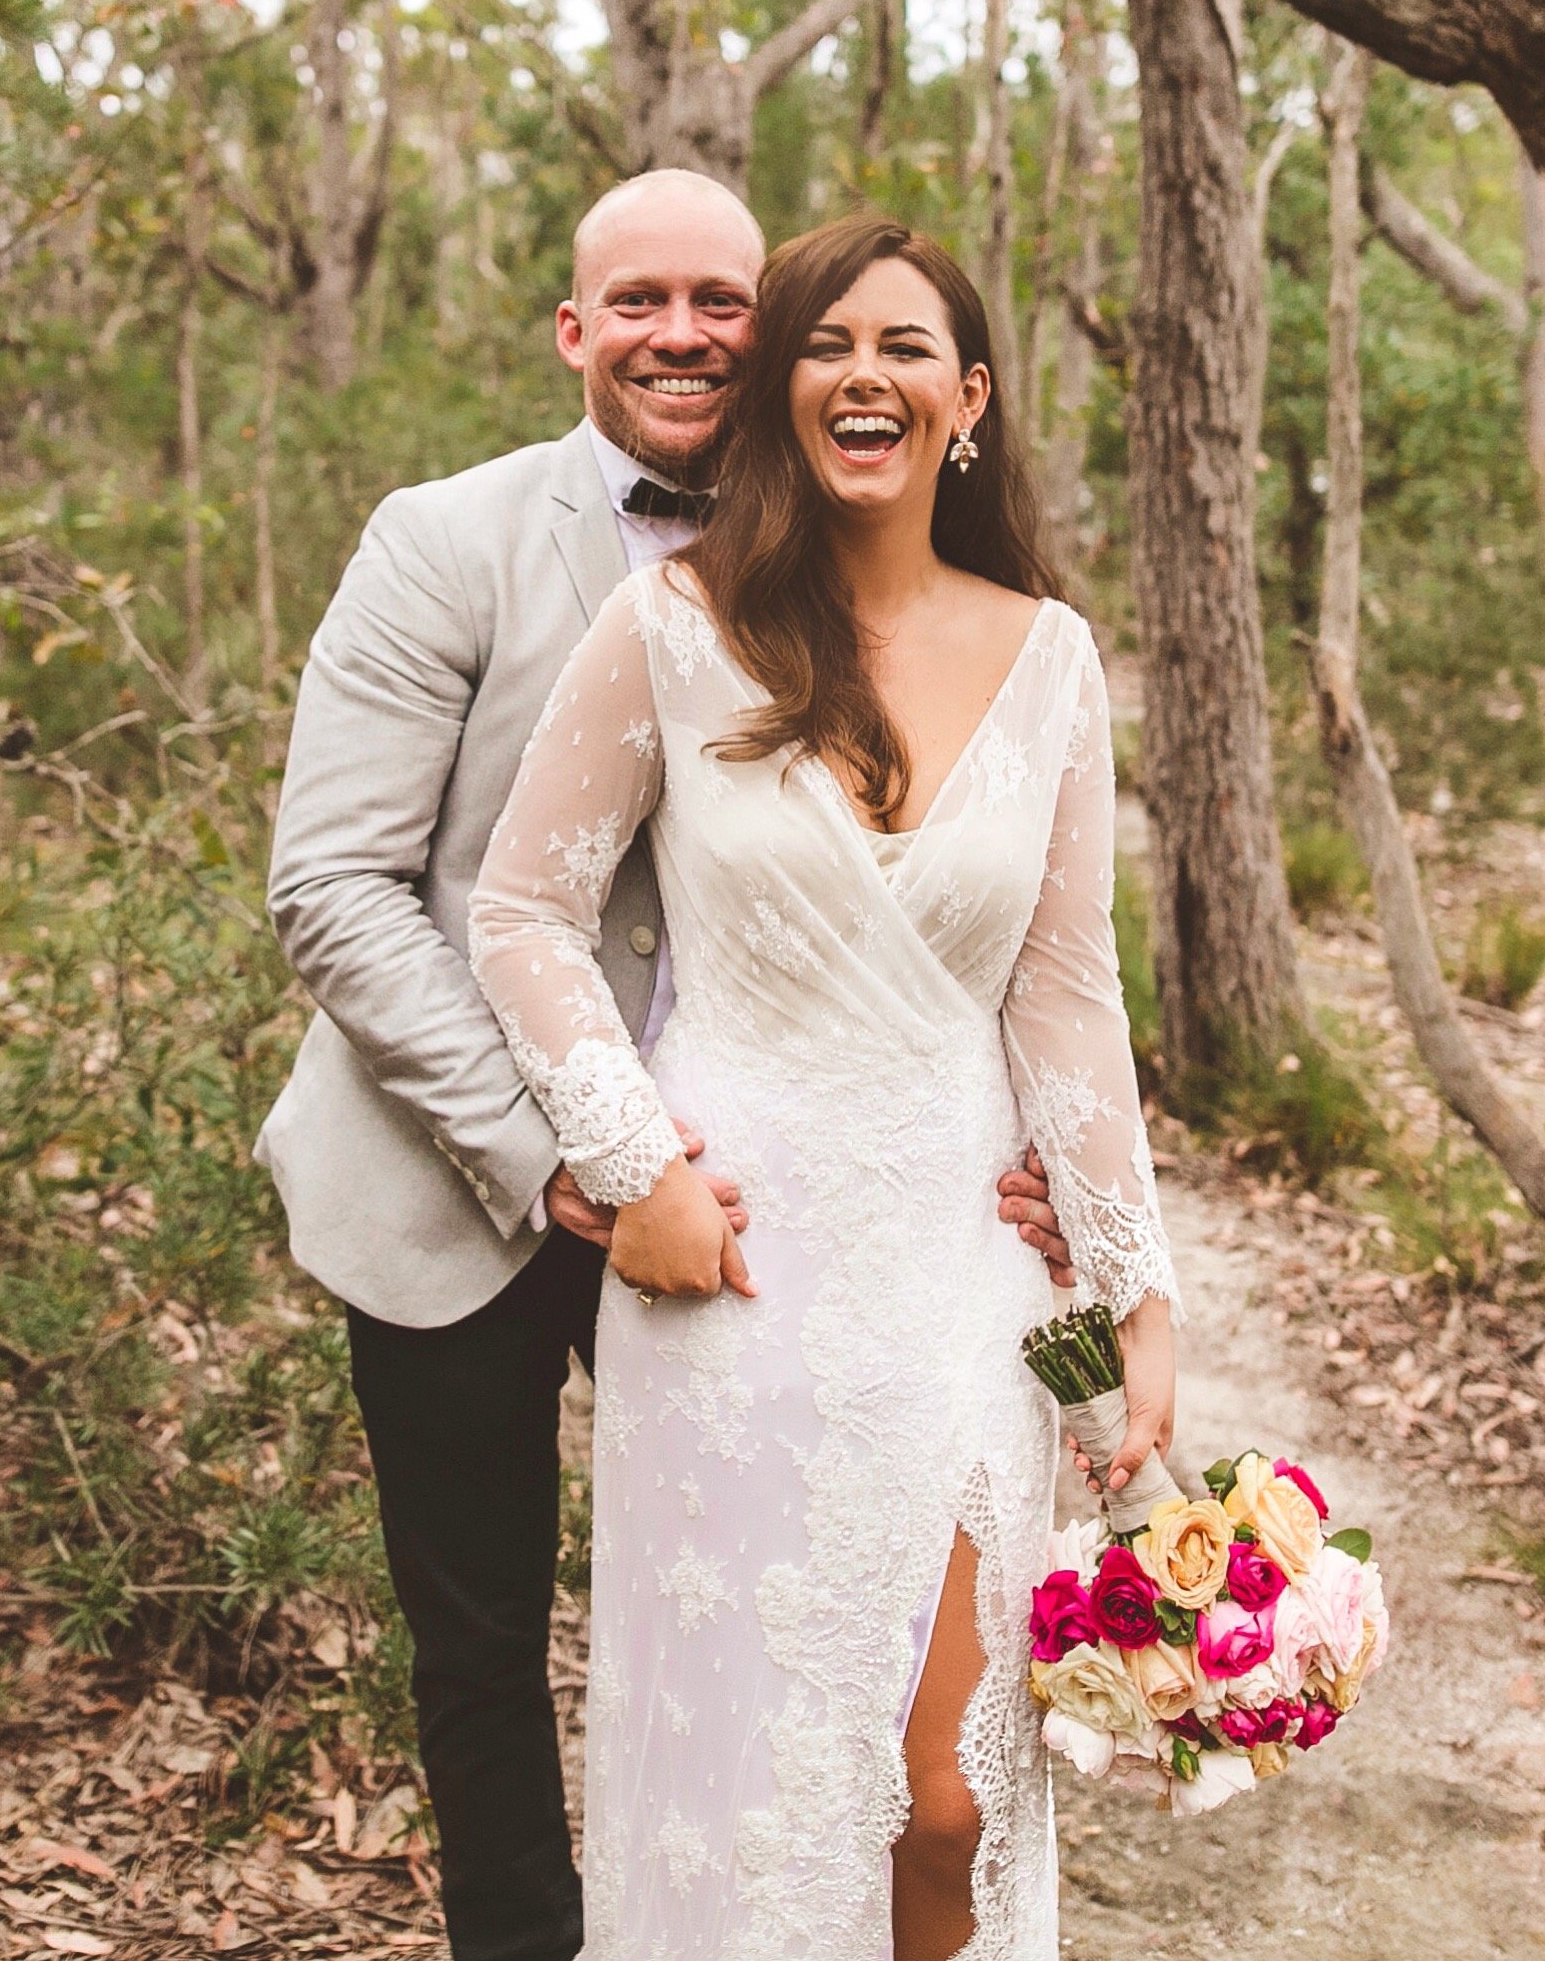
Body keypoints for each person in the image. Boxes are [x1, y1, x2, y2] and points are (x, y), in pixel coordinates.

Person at [259, 172, 1073, 1961]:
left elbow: (970, 909)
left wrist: (1014, 1151)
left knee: (771, 1643)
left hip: (771, 1200)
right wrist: (567, 1154)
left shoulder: (844, 554)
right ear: (573, 330)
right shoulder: (444, 538)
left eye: (722, 298)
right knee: (480, 1651)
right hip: (457, 1167)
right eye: (640, 301)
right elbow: (332, 887)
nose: (683, 333)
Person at [469, 213, 1178, 1961]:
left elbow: (1069, 1000)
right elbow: (521, 909)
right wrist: (637, 1169)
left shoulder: (1052, 658)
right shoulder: (672, 626)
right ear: (785, 394)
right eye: (826, 345)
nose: (865, 374)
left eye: (905, 346)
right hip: (742, 1273)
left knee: (945, 1790)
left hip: (961, 1270)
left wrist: (1134, 1288)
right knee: (754, 1775)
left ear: (968, 399)